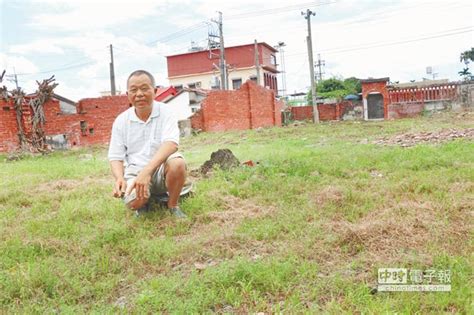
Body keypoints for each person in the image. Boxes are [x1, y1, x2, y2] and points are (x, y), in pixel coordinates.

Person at [108, 70, 191, 218]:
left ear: (155, 91)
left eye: (144, 88)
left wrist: (146, 172)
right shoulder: (121, 121)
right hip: (135, 172)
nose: (139, 94)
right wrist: (119, 178)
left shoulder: (167, 112)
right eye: (133, 90)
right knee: (134, 202)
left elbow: (171, 144)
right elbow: (115, 156)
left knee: (177, 163)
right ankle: (144, 202)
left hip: (160, 169)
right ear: (128, 94)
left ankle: (172, 205)